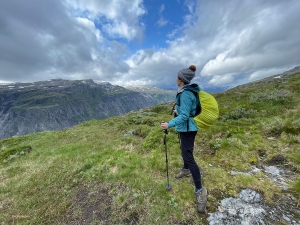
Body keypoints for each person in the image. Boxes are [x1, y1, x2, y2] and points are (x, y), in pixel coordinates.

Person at [160, 65, 208, 213]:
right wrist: (177, 110)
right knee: (184, 152)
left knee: (188, 155)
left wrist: (169, 124)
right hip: (185, 128)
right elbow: (184, 111)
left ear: (181, 79)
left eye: (177, 77)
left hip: (188, 129)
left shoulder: (186, 94)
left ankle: (201, 190)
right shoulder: (184, 91)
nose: (175, 79)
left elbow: (185, 115)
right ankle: (186, 170)